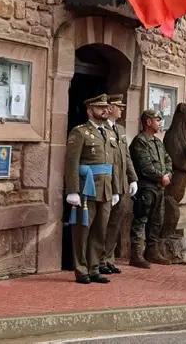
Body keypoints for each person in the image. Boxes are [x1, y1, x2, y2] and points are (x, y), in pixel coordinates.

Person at [64, 94, 120, 284]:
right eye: (100, 107)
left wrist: (115, 189)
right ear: (90, 111)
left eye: (106, 107)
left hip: (105, 188)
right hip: (86, 189)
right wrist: (72, 190)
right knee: (83, 231)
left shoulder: (110, 133)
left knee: (100, 231)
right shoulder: (80, 132)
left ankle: (94, 268)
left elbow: (114, 164)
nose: (105, 110)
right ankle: (81, 270)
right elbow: (72, 162)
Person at [99, 94, 138, 275]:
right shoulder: (102, 128)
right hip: (108, 182)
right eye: (118, 106)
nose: (121, 109)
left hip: (121, 182)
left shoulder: (120, 129)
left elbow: (126, 156)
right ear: (110, 108)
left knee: (115, 223)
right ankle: (97, 260)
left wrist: (133, 178)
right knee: (103, 223)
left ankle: (108, 258)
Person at [128, 109, 172, 267]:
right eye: (157, 120)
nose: (159, 123)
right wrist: (161, 176)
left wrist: (167, 175)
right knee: (141, 220)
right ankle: (136, 254)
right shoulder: (140, 141)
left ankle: (152, 251)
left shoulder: (157, 142)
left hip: (160, 187)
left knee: (157, 220)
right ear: (148, 122)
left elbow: (168, 160)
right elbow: (144, 166)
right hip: (146, 187)